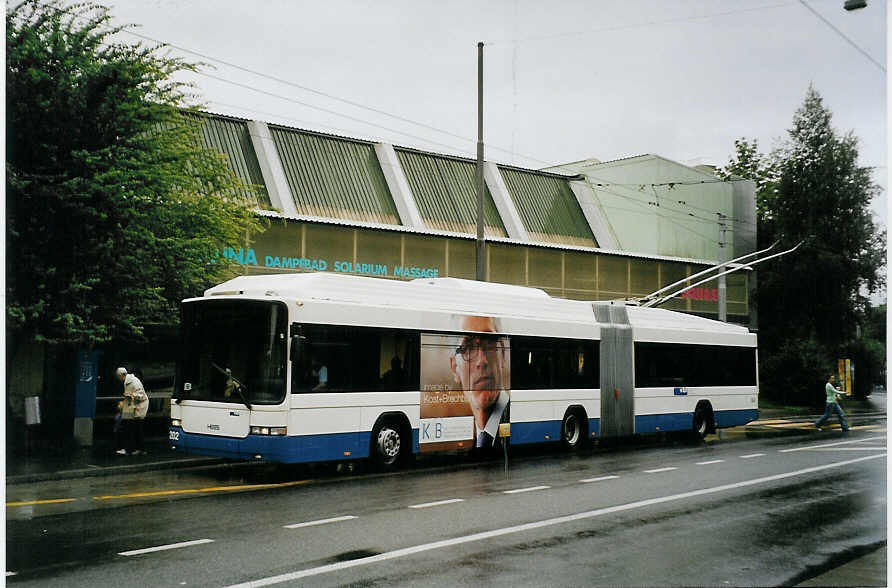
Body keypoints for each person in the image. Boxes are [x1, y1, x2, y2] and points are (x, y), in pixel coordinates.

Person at [449, 315, 509, 448]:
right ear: (455, 368)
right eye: (468, 348)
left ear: (503, 355)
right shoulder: (470, 435)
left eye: (489, 342)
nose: (482, 361)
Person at [116, 367, 149, 455]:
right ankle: (139, 449)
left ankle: (129, 449)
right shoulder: (129, 381)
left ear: (121, 375)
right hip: (133, 408)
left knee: (130, 429)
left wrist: (130, 395)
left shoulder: (134, 382)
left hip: (138, 408)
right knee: (136, 429)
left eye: (118, 376)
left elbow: (141, 395)